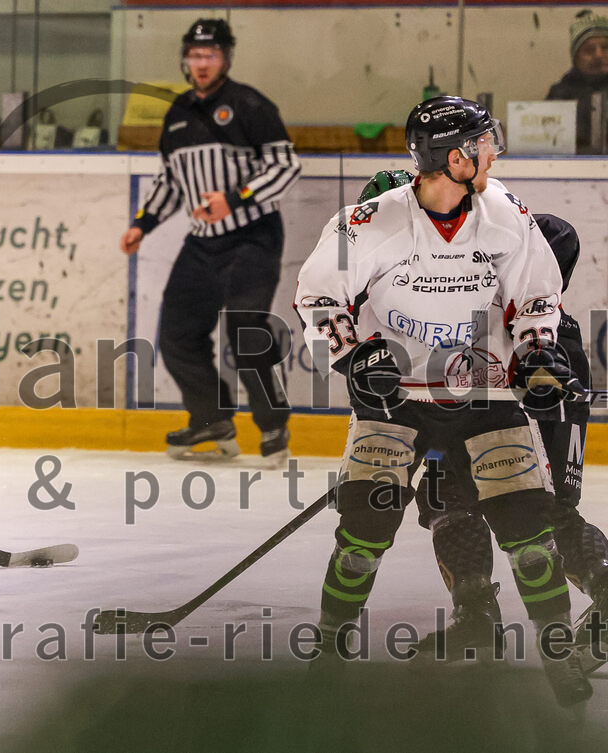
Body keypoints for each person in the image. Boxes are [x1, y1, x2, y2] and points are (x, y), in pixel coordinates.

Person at [295, 96, 592, 707]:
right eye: (484, 143)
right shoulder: (370, 220)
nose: (494, 152)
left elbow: (537, 293)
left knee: (528, 530)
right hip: (400, 397)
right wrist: (354, 356)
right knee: (363, 530)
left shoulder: (505, 211)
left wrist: (537, 349)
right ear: (455, 158)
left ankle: (557, 652)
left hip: (485, 391)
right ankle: (329, 646)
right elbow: (319, 298)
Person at [359, 170, 608, 669]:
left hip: (522, 413)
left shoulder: (481, 266)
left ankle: (481, 613)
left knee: (537, 512)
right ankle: (475, 615)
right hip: (515, 409)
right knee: (459, 498)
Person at [119, 18, 301, 465]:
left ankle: (273, 426)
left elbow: (285, 166)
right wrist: (143, 222)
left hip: (252, 238)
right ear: (185, 59)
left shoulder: (250, 105)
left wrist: (236, 199)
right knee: (177, 336)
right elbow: (170, 180)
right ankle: (211, 420)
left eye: (211, 55)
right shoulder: (178, 112)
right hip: (201, 244)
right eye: (195, 55)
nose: (202, 64)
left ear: (226, 58)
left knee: (244, 332)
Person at [547, 8, 608, 154]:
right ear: (576, 59)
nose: (598, 55)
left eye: (605, 48)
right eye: (589, 50)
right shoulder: (560, 93)